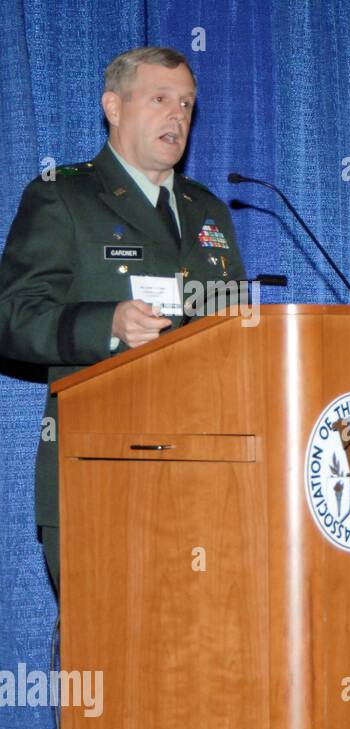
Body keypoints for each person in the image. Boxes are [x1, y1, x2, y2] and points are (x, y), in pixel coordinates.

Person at [0, 47, 245, 591]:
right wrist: (106, 325)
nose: (177, 115)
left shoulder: (207, 209)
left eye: (187, 103)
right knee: (110, 637)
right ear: (113, 107)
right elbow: (12, 317)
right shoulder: (63, 196)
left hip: (208, 477)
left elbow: (232, 330)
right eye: (160, 99)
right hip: (100, 473)